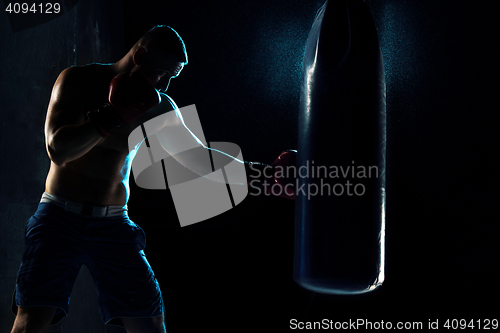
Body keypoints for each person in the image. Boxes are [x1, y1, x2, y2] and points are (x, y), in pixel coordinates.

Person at [10, 25, 187, 333]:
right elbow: (58, 149)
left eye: (173, 76)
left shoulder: (159, 106)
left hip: (113, 224)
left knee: (149, 323)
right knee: (29, 323)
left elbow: (199, 159)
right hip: (57, 217)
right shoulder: (77, 80)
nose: (166, 85)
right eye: (162, 73)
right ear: (140, 55)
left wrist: (264, 173)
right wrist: (113, 114)